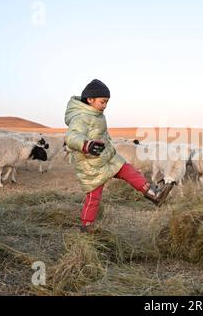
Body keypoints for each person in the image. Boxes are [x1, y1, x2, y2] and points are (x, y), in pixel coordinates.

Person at [64, 79, 174, 233]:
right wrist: (86, 145)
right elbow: (71, 137)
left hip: (108, 157)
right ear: (90, 99)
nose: (105, 105)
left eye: (107, 102)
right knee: (94, 197)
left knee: (129, 171)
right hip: (91, 164)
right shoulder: (80, 117)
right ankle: (86, 226)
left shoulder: (98, 115)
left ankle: (154, 194)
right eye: (102, 102)